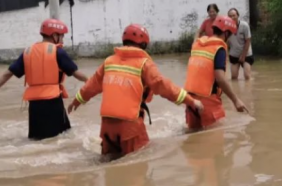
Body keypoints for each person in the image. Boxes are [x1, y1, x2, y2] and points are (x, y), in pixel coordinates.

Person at [67, 24, 204, 160]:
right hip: (130, 128)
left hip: (107, 128)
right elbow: (165, 87)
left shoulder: (109, 61)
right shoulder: (144, 64)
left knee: (109, 171)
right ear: (144, 44)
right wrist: (191, 101)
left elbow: (92, 85)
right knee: (138, 170)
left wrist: (77, 100)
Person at [0, 19, 88, 141]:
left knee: (37, 140)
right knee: (62, 138)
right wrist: (91, 82)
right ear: (54, 35)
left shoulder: (28, 52)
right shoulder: (57, 51)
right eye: (62, 36)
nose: (62, 40)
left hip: (34, 106)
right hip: (53, 103)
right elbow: (76, 74)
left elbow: (7, 74)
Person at [184, 15, 249, 130]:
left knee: (193, 137)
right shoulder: (219, 49)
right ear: (226, 33)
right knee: (215, 141)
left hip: (189, 99)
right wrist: (235, 100)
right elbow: (220, 78)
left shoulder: (197, 44)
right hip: (208, 101)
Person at [226, 8, 254, 81]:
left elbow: (248, 40)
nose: (232, 17)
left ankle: (249, 90)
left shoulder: (244, 25)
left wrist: (243, 55)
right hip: (234, 54)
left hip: (246, 53)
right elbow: (225, 42)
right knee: (234, 77)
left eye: (234, 15)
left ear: (238, 15)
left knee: (247, 76)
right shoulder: (226, 28)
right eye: (230, 16)